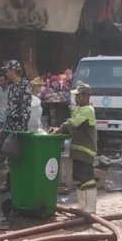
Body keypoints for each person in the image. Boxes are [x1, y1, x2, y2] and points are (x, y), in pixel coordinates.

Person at [49, 82, 98, 213]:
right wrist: (59, 130)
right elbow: (71, 127)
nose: (76, 98)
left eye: (78, 96)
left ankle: (91, 207)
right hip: (77, 150)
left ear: (85, 96)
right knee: (78, 177)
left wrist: (59, 129)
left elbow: (72, 123)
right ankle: (82, 204)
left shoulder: (88, 110)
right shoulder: (80, 110)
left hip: (85, 150)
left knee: (87, 178)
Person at [0, 60, 32, 193]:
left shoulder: (25, 86)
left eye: (7, 70)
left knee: (18, 154)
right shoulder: (12, 88)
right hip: (10, 126)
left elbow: (26, 110)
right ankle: (9, 183)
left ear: (13, 71)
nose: (6, 73)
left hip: (19, 127)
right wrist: (5, 126)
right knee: (9, 154)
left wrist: (21, 129)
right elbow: (9, 109)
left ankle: (19, 182)